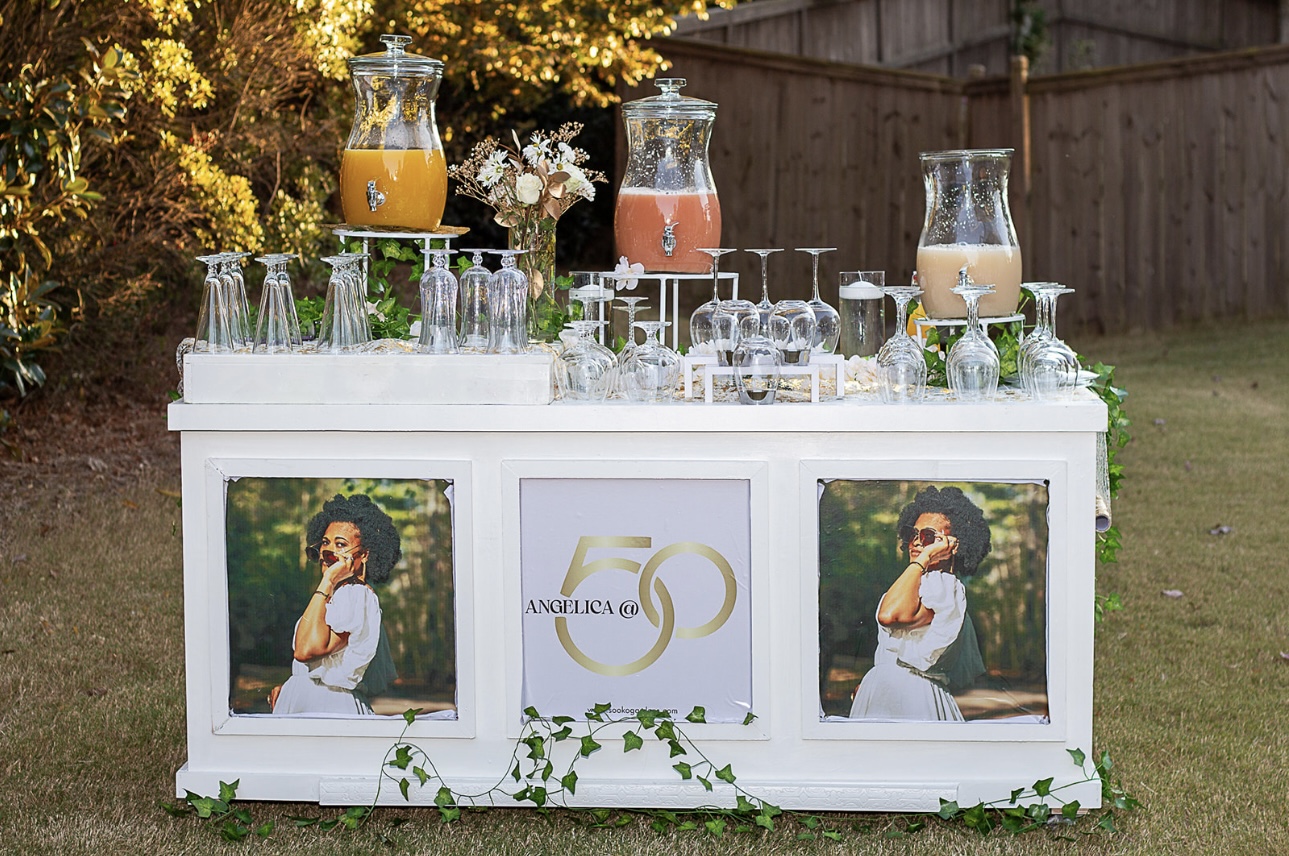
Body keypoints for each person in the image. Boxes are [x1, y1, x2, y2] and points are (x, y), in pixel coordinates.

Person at [849, 486, 988, 721]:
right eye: (912, 534)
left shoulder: (944, 587)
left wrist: (925, 558)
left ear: (952, 545)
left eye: (928, 536)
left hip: (913, 701)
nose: (916, 542)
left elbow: (890, 616)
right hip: (884, 696)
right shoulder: (918, 582)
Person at [270, 494, 401, 715]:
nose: (326, 552)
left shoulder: (356, 595)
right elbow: (318, 664)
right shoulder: (336, 595)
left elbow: (305, 650)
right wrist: (291, 688)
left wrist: (328, 579)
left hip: (329, 707)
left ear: (364, 555)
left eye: (340, 544)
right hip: (310, 702)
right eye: (325, 543)